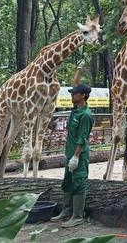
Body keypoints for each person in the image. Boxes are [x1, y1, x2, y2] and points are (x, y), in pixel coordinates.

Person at [51, 83, 94, 228]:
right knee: (68, 181)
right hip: (69, 154)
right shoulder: (74, 112)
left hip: (79, 157)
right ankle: (67, 210)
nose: (72, 95)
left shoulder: (86, 115)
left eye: (75, 93)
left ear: (83, 96)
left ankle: (77, 216)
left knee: (79, 183)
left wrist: (76, 157)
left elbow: (83, 138)